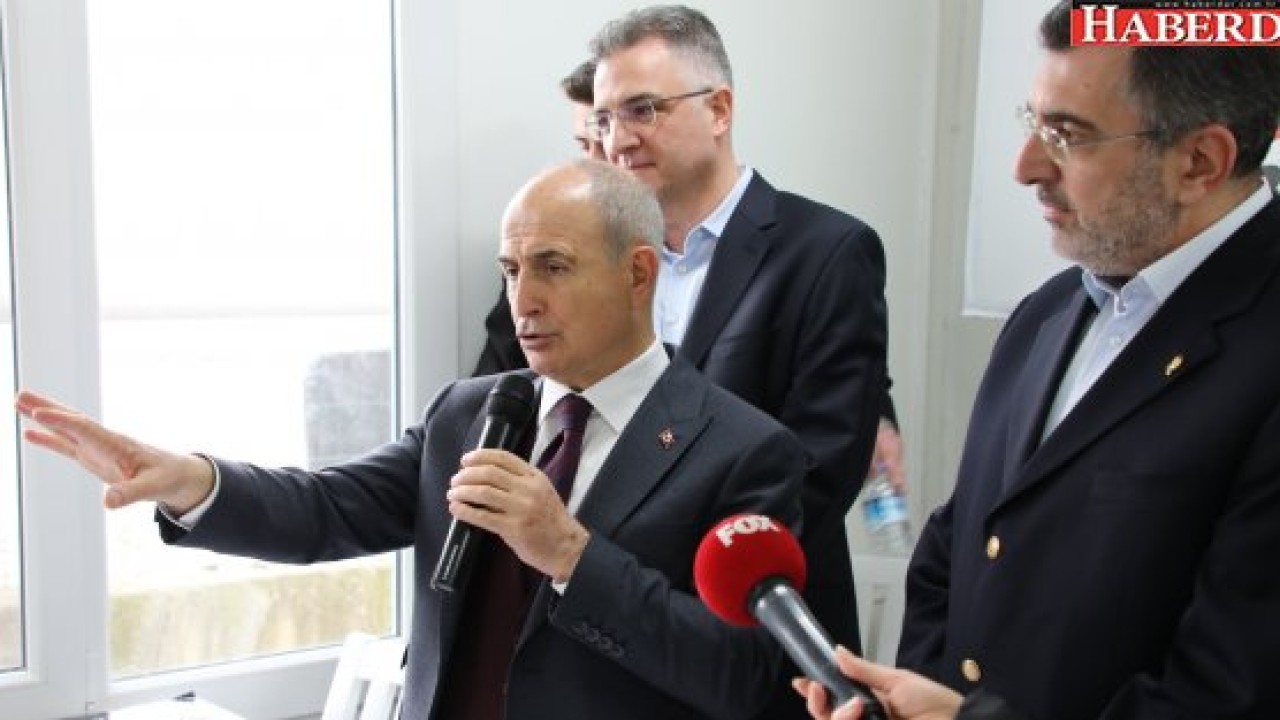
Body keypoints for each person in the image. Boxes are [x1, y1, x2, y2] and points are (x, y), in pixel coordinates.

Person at [17, 159, 807, 720]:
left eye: (553, 267)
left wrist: (570, 553)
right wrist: (188, 481)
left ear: (638, 274)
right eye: (511, 269)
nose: (523, 300)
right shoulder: (473, 413)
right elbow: (326, 508)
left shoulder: (742, 450)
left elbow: (740, 677)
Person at [799, 2, 1280, 718]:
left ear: (1199, 161)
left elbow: (1232, 692)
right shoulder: (1047, 314)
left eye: (1067, 136)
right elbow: (955, 550)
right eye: (1032, 122)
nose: (1024, 167)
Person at [586, 6, 891, 716]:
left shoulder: (827, 251)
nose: (617, 139)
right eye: (603, 118)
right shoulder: (605, 262)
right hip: (618, 648)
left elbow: (819, 473)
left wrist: (616, 564)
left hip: (759, 653)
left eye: (642, 109)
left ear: (719, 109)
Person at [473, 60, 603, 378]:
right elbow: (494, 380)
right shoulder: (532, 248)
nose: (596, 164)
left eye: (605, 142)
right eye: (585, 146)